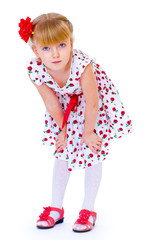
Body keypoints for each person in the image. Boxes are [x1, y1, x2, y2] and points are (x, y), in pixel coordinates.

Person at [18, 13, 132, 233]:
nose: (55, 54)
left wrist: (88, 132)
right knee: (62, 153)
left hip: (92, 106)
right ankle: (55, 208)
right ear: (35, 51)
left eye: (62, 45)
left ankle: (88, 209)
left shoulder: (81, 63)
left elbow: (92, 101)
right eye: (46, 48)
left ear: (71, 43)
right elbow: (52, 104)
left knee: (92, 152)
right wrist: (63, 131)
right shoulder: (36, 69)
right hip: (64, 109)